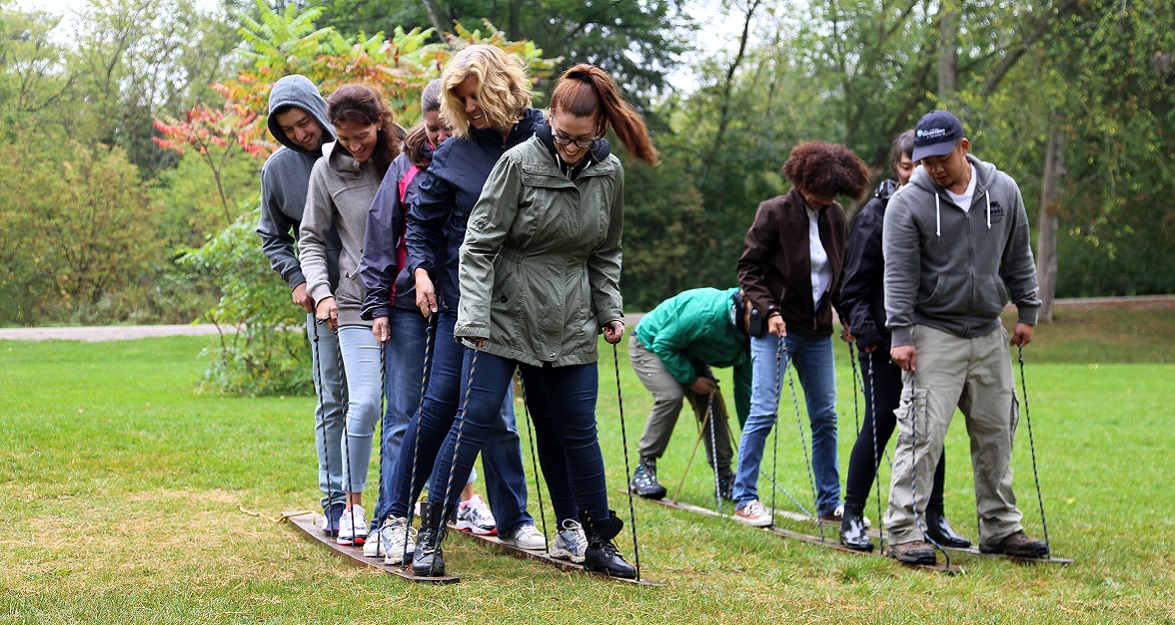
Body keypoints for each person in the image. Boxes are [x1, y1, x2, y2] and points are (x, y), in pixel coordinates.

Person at [409, 62, 659, 579]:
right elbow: (477, 246)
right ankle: (429, 534)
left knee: (578, 430)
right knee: (474, 419)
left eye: (578, 141)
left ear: (600, 132)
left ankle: (596, 539)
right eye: (559, 135)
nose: (566, 146)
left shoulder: (608, 174)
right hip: (502, 312)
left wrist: (609, 308)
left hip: (569, 317)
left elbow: (606, 251)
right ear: (549, 120)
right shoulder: (519, 163)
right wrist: (474, 316)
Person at [382, 45, 560, 569]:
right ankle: (394, 518)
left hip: (533, 304)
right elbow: (421, 221)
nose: (469, 106)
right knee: (439, 407)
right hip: (466, 303)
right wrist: (419, 269)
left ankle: (551, 522)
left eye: (474, 94)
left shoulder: (547, 137)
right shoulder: (454, 152)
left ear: (502, 84)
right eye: (460, 98)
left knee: (530, 417)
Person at [882, 110, 1047, 564]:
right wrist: (901, 332)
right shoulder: (907, 203)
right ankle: (903, 531)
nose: (933, 168)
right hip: (933, 331)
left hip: (988, 332)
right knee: (922, 435)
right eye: (924, 160)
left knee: (997, 431)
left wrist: (1027, 310)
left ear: (964, 147)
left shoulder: (1003, 190)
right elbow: (897, 274)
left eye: (941, 158)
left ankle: (1000, 527)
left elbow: (1019, 255)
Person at [357, 81, 496, 562]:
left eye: (446, 128)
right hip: (412, 301)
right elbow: (384, 239)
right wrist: (378, 302)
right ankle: (387, 520)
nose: (437, 137)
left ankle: (477, 506)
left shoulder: (485, 152)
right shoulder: (407, 165)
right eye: (432, 127)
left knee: (477, 412)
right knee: (410, 411)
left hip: (464, 298)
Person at [837, 130, 969, 551]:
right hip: (882, 342)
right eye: (907, 165)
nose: (917, 173)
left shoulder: (940, 210)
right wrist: (873, 338)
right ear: (897, 168)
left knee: (931, 427)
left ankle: (934, 517)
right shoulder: (875, 214)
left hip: (930, 340)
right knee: (880, 423)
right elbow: (851, 287)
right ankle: (853, 516)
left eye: (923, 165)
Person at [733, 141, 870, 527]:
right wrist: (770, 310)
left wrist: (848, 318)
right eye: (820, 190)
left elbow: (838, 277)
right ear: (803, 179)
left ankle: (829, 503)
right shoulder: (774, 212)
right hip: (775, 329)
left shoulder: (836, 215)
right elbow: (749, 270)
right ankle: (745, 498)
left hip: (816, 332)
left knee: (826, 416)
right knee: (763, 411)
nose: (825, 198)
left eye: (832, 193)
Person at [299, 84, 400, 546]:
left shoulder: (408, 156)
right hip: (356, 304)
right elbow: (311, 238)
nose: (355, 145)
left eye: (362, 135)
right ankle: (351, 506)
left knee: (415, 410)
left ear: (379, 121)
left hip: (410, 305)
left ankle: (408, 506)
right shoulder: (326, 169)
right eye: (345, 137)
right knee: (363, 404)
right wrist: (321, 292)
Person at [256, 75, 348, 537]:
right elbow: (271, 235)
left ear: (317, 109)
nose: (300, 134)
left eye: (303, 121)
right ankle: (336, 502)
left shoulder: (358, 145)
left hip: (375, 294)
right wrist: (297, 278)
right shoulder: (278, 169)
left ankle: (402, 498)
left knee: (394, 400)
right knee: (332, 398)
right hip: (321, 298)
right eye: (289, 129)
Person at [628, 287, 752, 501]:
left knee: (712, 401)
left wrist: (751, 435)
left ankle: (724, 477)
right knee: (671, 397)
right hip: (650, 345)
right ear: (745, 300)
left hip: (688, 355)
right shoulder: (707, 313)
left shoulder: (754, 335)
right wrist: (692, 380)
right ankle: (644, 469)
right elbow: (663, 343)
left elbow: (744, 390)